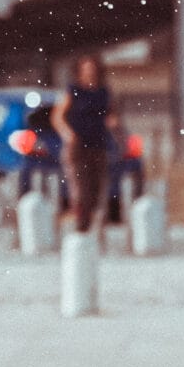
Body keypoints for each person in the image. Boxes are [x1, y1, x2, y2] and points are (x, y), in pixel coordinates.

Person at [53, 53, 116, 234]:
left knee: (97, 191)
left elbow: (111, 113)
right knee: (81, 190)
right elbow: (58, 116)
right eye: (86, 69)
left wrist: (113, 124)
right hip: (77, 147)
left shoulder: (103, 92)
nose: (90, 72)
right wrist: (67, 133)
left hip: (98, 145)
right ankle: (81, 226)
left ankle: (87, 224)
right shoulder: (72, 91)